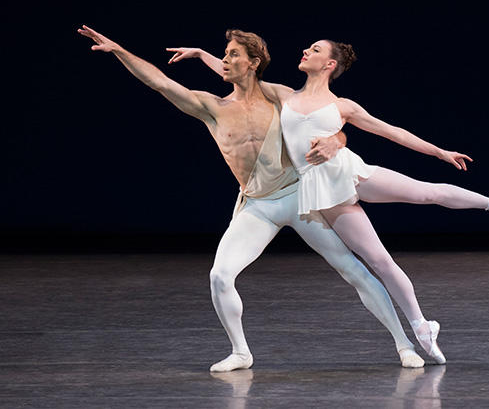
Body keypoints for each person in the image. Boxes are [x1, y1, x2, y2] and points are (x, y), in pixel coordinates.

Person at [169, 38, 489, 364]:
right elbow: (238, 73)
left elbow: (391, 131)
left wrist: (439, 151)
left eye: (314, 50)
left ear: (329, 65)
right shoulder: (283, 94)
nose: (305, 51)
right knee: (378, 259)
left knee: (427, 191)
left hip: (352, 172)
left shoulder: (343, 105)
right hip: (321, 192)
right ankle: (422, 326)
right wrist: (202, 54)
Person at [77, 25, 426, 371]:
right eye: (224, 55)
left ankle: (404, 344)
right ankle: (241, 352)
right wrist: (120, 50)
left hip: (298, 196)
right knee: (220, 275)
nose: (225, 61)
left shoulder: (281, 98)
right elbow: (159, 82)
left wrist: (338, 141)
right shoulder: (210, 106)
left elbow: (330, 121)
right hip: (257, 204)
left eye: (233, 55)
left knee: (353, 269)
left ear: (253, 62)